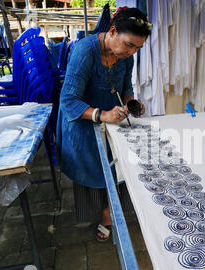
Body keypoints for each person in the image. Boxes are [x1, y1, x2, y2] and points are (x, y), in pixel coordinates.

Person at [56, 7, 152, 241]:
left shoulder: (125, 56)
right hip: (82, 120)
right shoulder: (85, 52)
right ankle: (102, 215)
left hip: (111, 118)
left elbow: (125, 87)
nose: (132, 52)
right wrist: (102, 114)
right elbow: (68, 100)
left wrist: (131, 103)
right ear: (111, 31)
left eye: (138, 48)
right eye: (129, 45)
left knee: (118, 167)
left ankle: (113, 212)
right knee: (93, 171)